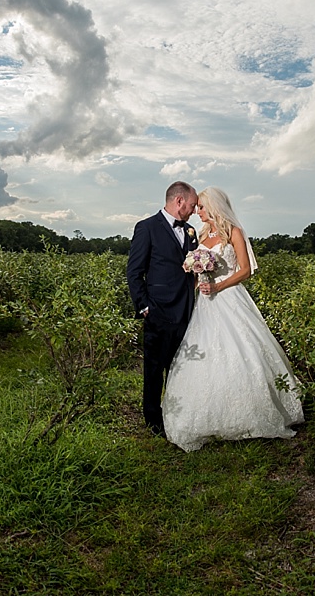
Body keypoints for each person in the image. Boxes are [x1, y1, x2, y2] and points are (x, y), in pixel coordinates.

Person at [162, 186, 304, 452]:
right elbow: (195, 270)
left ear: (214, 207)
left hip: (229, 296)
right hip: (205, 302)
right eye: (196, 207)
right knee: (204, 352)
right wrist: (193, 271)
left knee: (242, 347)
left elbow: (246, 270)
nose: (197, 211)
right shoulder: (201, 235)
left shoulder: (234, 233)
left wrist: (219, 285)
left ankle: (254, 413)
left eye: (201, 207)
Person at [126, 181, 199, 438]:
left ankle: (176, 413)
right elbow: (134, 272)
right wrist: (144, 306)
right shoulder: (147, 227)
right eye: (191, 206)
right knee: (155, 368)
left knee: (181, 366)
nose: (193, 211)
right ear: (179, 201)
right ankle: (153, 419)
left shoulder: (191, 231)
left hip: (187, 310)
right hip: (157, 310)